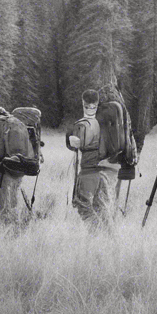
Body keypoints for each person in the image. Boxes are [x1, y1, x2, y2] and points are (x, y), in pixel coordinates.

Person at [67, 89, 119, 223]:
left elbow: (73, 143)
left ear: (83, 102)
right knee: (101, 207)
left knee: (83, 207)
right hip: (107, 171)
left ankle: (97, 235)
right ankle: (110, 239)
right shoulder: (107, 122)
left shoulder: (84, 123)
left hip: (89, 171)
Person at [0, 106, 35, 223]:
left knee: (3, 206)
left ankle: (6, 229)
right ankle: (16, 225)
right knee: (13, 200)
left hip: (6, 170)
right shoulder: (17, 122)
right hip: (21, 168)